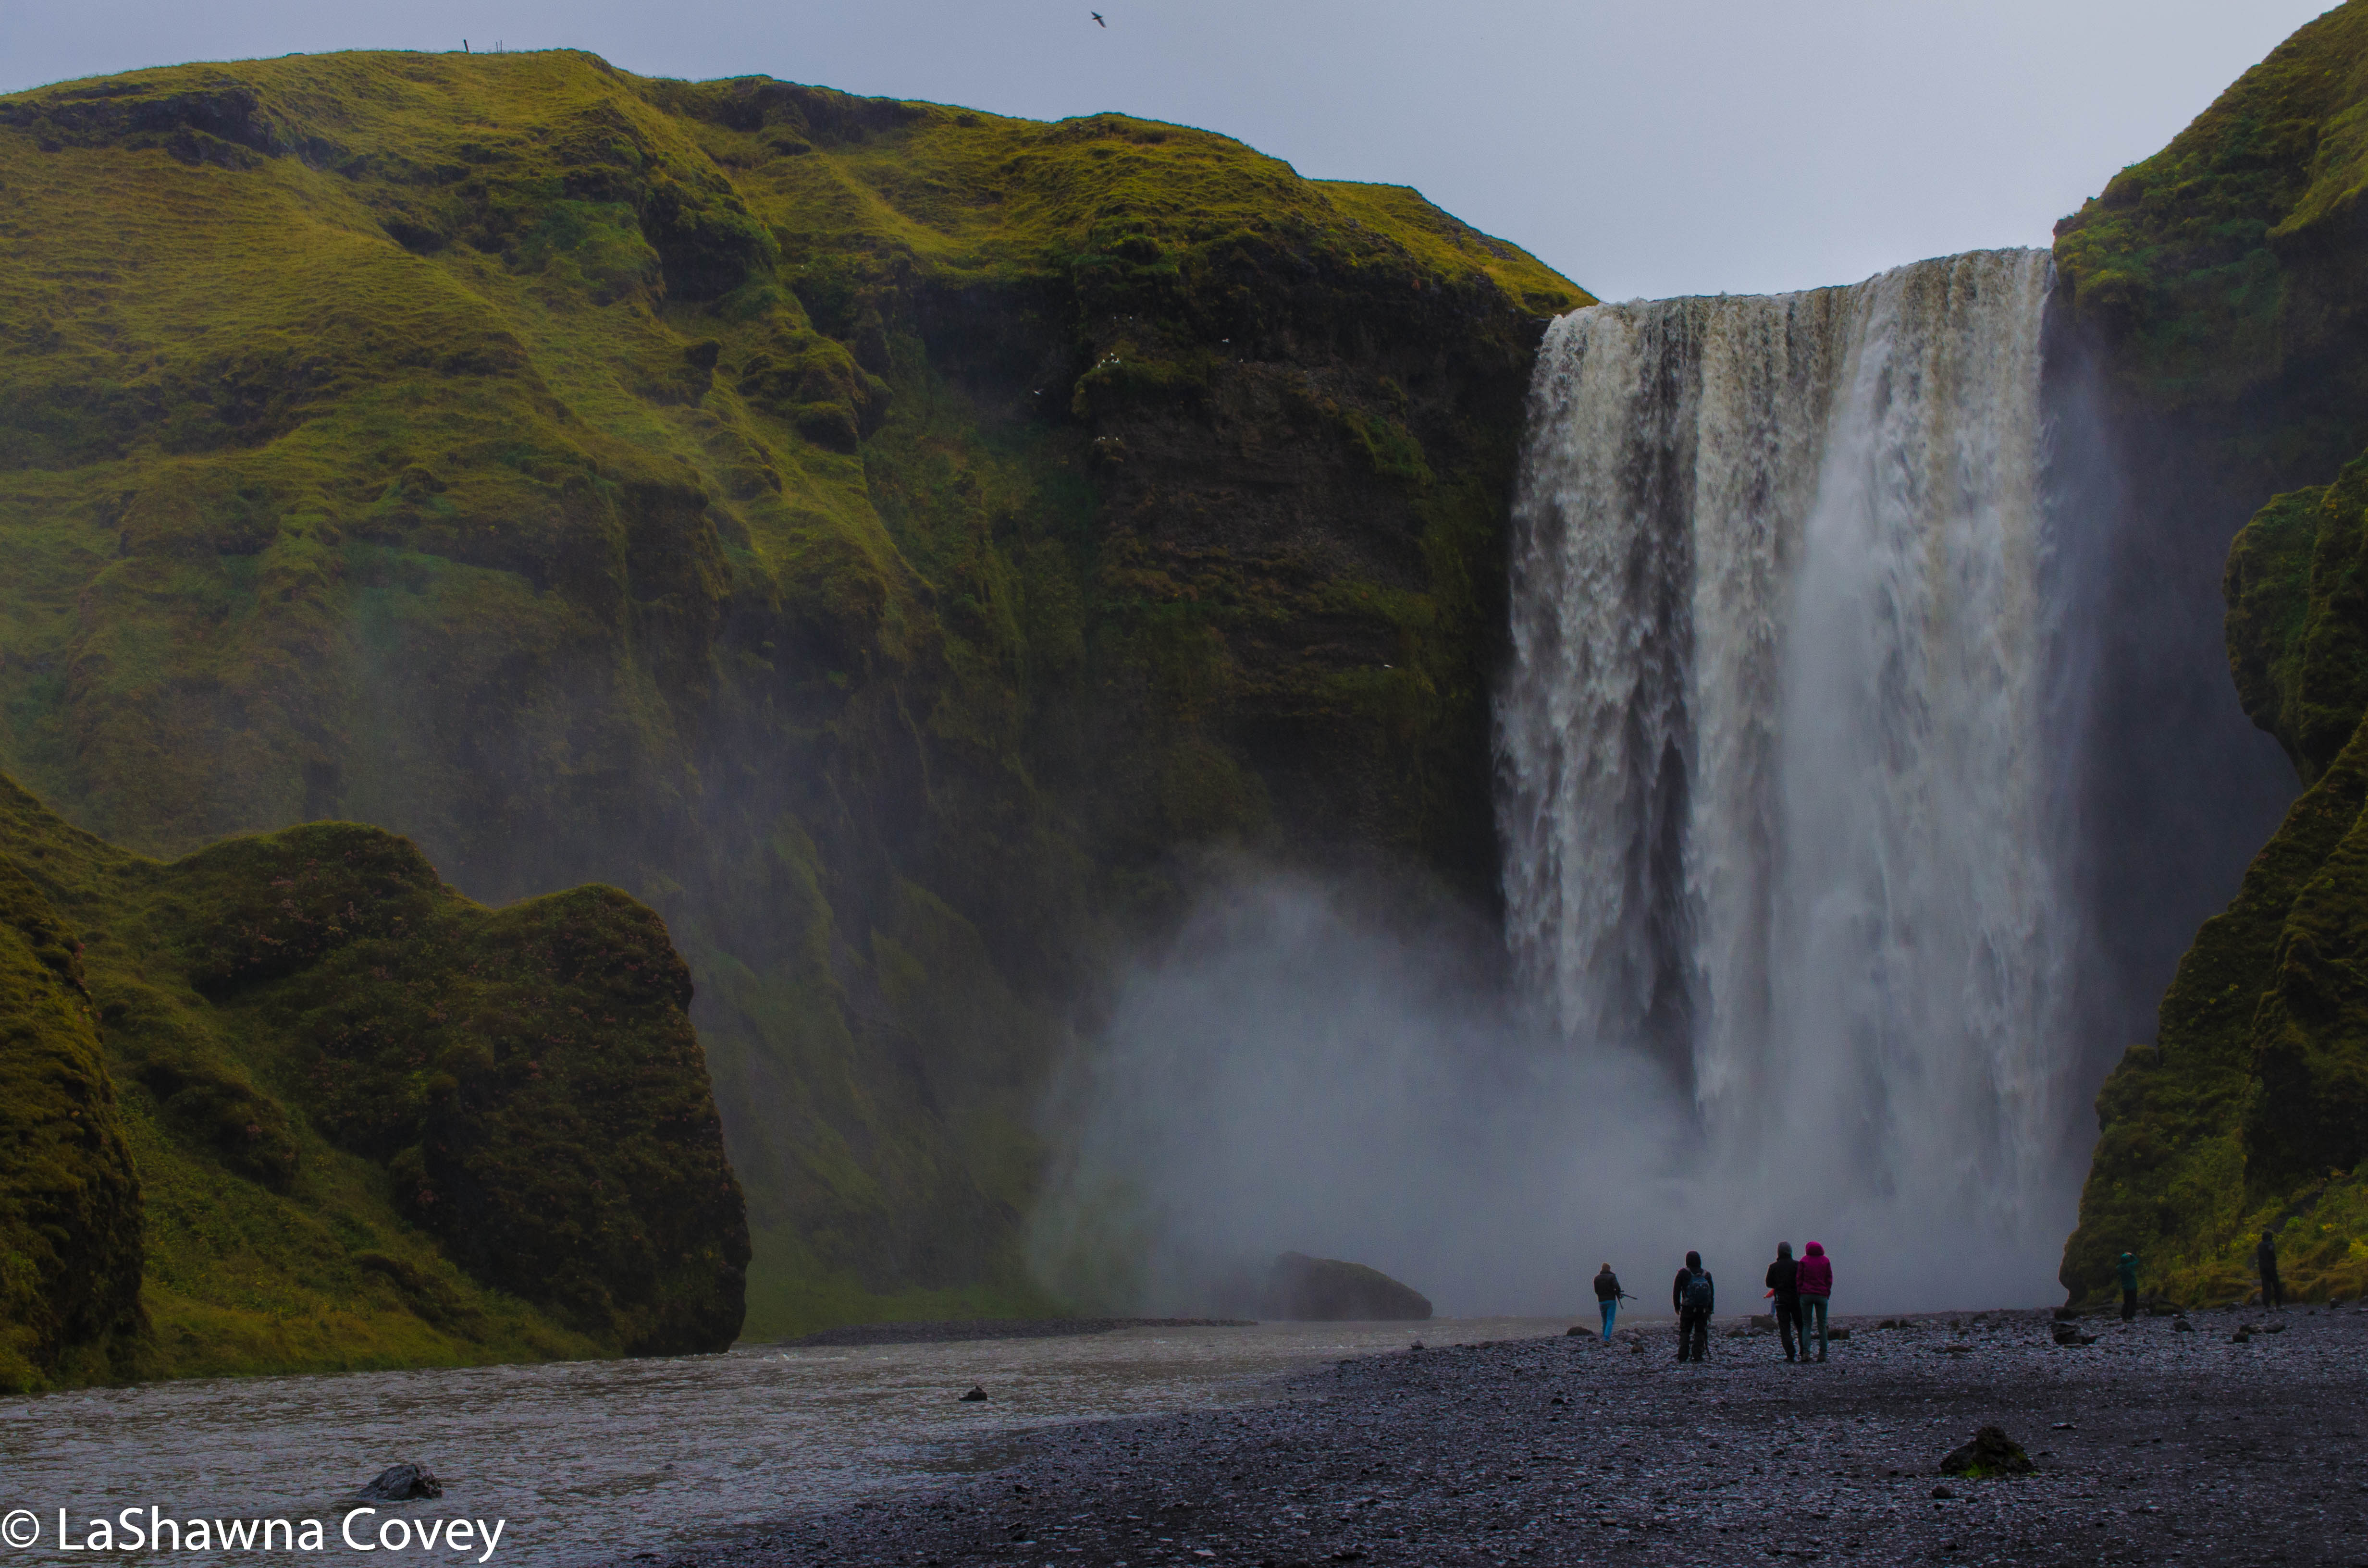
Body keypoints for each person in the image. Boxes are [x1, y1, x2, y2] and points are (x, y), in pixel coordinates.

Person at [1672, 1250, 1714, 1362]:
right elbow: (1712, 1294)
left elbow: (1676, 1291)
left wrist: (1677, 1306)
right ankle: (1698, 1355)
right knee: (1700, 1331)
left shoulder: (1683, 1274)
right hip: (1703, 1309)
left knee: (1685, 1331)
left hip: (1687, 1308)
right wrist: (1710, 1309)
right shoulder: (1706, 1275)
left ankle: (1683, 1356)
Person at [1765, 1241, 1803, 1362]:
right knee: (1801, 1326)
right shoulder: (1797, 1265)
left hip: (1781, 1301)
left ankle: (1790, 1354)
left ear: (1779, 1252)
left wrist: (1779, 1285)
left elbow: (1769, 1284)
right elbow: (1802, 1280)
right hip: (1797, 1300)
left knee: (1785, 1328)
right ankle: (1805, 1351)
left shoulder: (1773, 1267)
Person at [1796, 1241, 1833, 1361]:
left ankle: (1806, 1353)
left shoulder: (1804, 1260)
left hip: (1806, 1295)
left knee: (1807, 1324)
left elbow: (1799, 1278)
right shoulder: (1825, 1261)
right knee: (1822, 1325)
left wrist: (1800, 1291)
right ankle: (1822, 1354)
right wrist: (1827, 1292)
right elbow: (1829, 1279)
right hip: (1821, 1295)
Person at [1592, 1262, 1625, 1342]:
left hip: (1601, 1301)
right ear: (1609, 1269)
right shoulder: (1612, 1277)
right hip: (1611, 1301)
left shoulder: (1597, 1278)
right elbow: (1617, 1288)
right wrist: (1617, 1293)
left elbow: (1596, 1291)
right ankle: (1606, 1339)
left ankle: (1605, 1337)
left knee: (1604, 1320)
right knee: (1610, 1320)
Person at [2257, 1230, 2283, 1312]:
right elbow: (2272, 1255)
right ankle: (2278, 1305)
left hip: (2262, 1268)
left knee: (2266, 1287)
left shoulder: (2259, 1245)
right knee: (2277, 1286)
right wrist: (2274, 1261)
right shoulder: (2270, 1244)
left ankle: (2268, 1306)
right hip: (2271, 1268)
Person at [2119, 1251, 2140, 1321]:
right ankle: (2130, 1317)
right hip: (2133, 1286)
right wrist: (2131, 1255)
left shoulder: (2119, 1268)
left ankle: (2124, 1316)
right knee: (2133, 1302)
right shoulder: (2130, 1266)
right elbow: (2137, 1261)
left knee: (2126, 1302)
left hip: (2125, 1287)